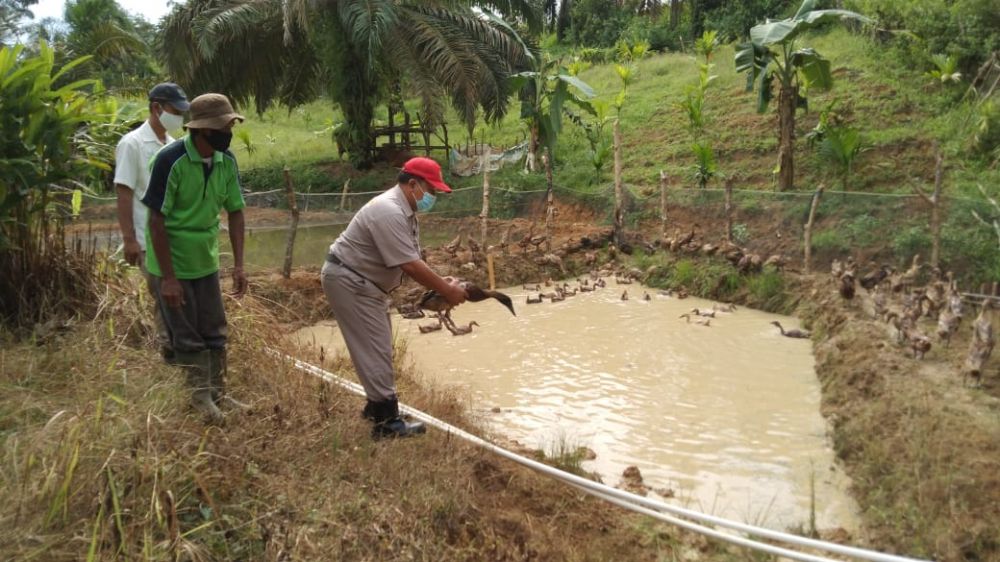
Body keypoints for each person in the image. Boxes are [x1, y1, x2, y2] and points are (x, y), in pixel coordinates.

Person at [321, 157, 467, 439]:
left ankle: (377, 408)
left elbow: (413, 258)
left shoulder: (404, 211)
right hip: (352, 281)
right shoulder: (388, 211)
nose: (432, 197)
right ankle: (387, 422)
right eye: (431, 191)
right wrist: (447, 291)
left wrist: (441, 282)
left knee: (379, 347)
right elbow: (410, 266)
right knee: (375, 348)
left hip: (363, 283)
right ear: (413, 184)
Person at [141, 93, 249, 424]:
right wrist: (169, 279)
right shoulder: (168, 160)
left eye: (230, 125)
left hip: (205, 261)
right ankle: (198, 398)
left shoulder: (225, 161)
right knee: (185, 332)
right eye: (223, 127)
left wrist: (240, 266)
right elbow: (157, 221)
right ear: (202, 131)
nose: (228, 132)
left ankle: (218, 392)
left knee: (215, 329)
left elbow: (236, 211)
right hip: (171, 263)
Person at [114, 82, 189, 362]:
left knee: (176, 296)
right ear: (156, 108)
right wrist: (129, 239)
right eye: (175, 110)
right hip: (148, 239)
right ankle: (170, 351)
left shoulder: (173, 146)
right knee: (163, 296)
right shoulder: (132, 144)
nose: (179, 117)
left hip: (174, 239)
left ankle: (179, 348)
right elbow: (124, 192)